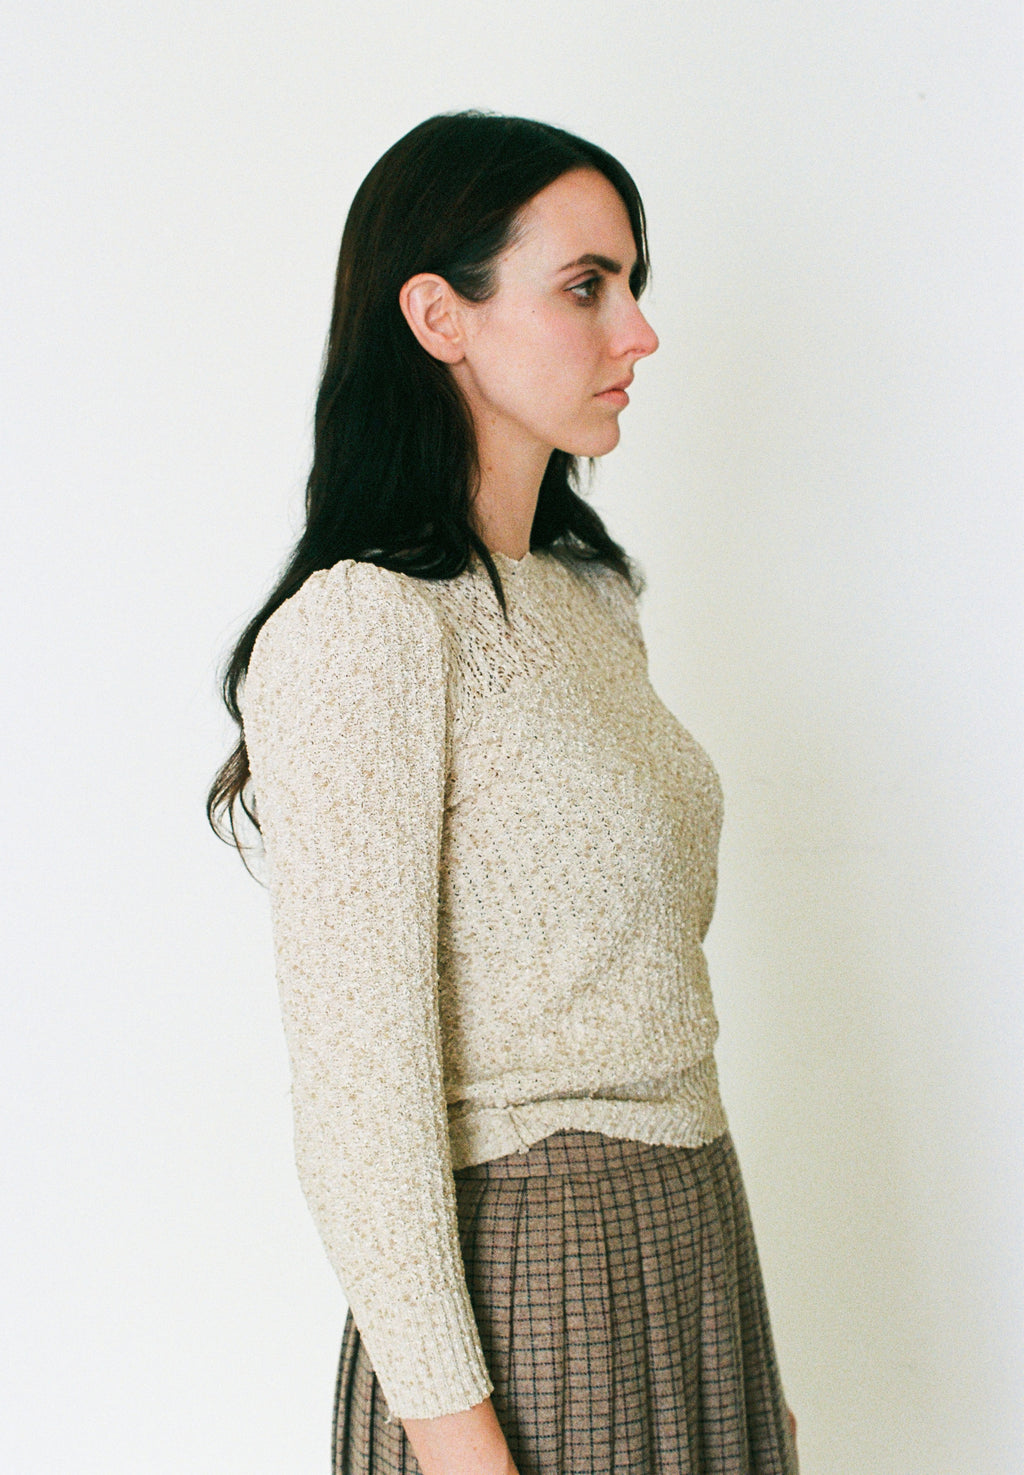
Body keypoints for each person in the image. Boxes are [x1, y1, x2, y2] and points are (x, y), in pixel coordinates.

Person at [208, 110, 799, 1475]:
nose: (637, 332)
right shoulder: (365, 630)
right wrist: (460, 1444)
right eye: (586, 286)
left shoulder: (589, 601)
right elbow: (361, 1095)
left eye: (634, 285)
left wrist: (741, 1371)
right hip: (530, 1281)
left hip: (696, 1228)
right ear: (438, 316)